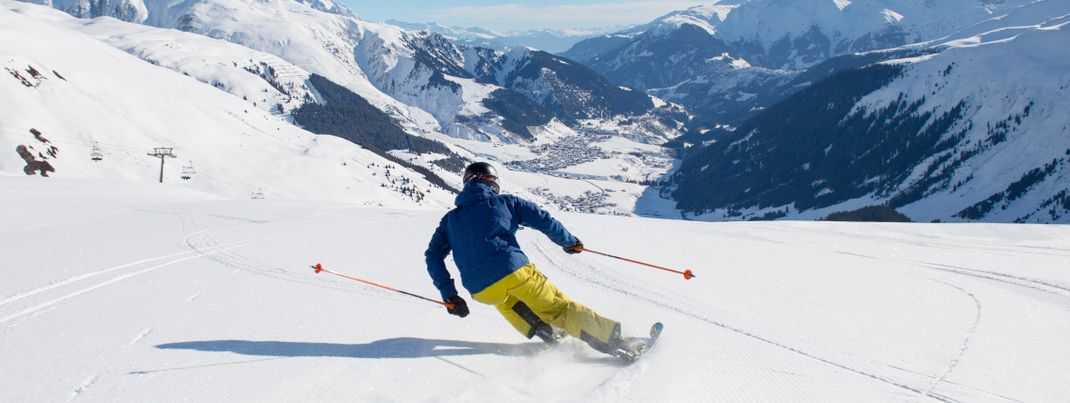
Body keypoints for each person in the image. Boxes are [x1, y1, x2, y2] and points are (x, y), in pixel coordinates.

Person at [424, 162, 634, 356]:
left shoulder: (449, 220)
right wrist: (568, 242)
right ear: (491, 181)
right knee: (558, 309)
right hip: (514, 271)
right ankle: (615, 341)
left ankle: (546, 331)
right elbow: (543, 220)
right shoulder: (506, 202)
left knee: (506, 301)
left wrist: (449, 295)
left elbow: (433, 256)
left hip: (481, 290)